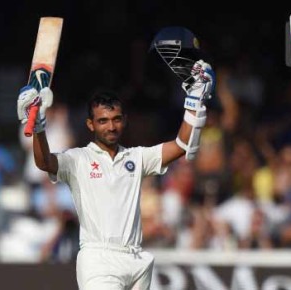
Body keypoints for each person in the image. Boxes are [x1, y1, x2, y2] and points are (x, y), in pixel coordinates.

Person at [17, 55, 214, 288]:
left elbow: (182, 145)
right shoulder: (78, 159)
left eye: (116, 119)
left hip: (136, 259)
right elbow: (45, 162)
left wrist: (194, 99)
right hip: (99, 259)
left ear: (124, 121)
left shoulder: (136, 157)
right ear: (90, 124)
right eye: (103, 121)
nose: (111, 126)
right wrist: (39, 127)